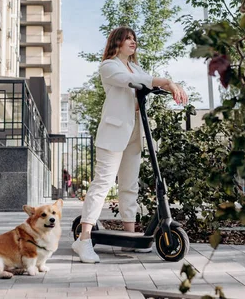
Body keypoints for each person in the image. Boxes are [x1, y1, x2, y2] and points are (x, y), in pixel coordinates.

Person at [71, 26, 188, 263]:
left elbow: (145, 83)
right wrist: (166, 81)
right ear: (117, 42)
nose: (133, 42)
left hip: (134, 132)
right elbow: (132, 81)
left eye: (134, 38)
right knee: (102, 183)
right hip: (113, 134)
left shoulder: (135, 66)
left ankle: (129, 235)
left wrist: (171, 86)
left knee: (129, 185)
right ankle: (83, 241)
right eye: (128, 39)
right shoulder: (109, 66)